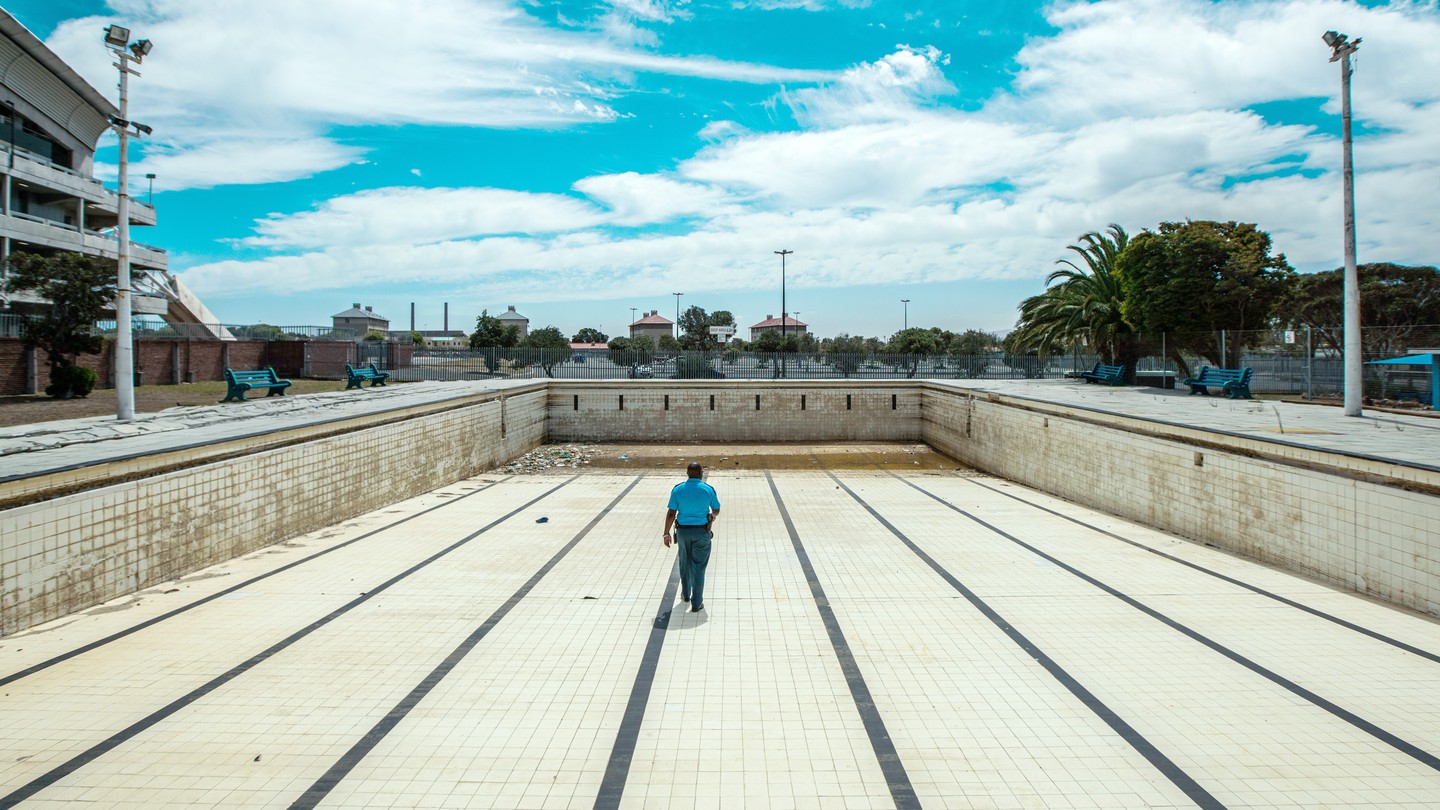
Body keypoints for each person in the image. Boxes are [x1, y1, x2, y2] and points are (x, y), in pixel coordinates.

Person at [663, 462, 720, 612]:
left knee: (684, 563)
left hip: (682, 532)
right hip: (701, 532)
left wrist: (666, 533)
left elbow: (671, 513)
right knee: (699, 567)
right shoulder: (708, 489)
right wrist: (712, 517)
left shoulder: (678, 489)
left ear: (687, 473)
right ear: (701, 473)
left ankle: (686, 594)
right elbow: (716, 509)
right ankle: (697, 602)